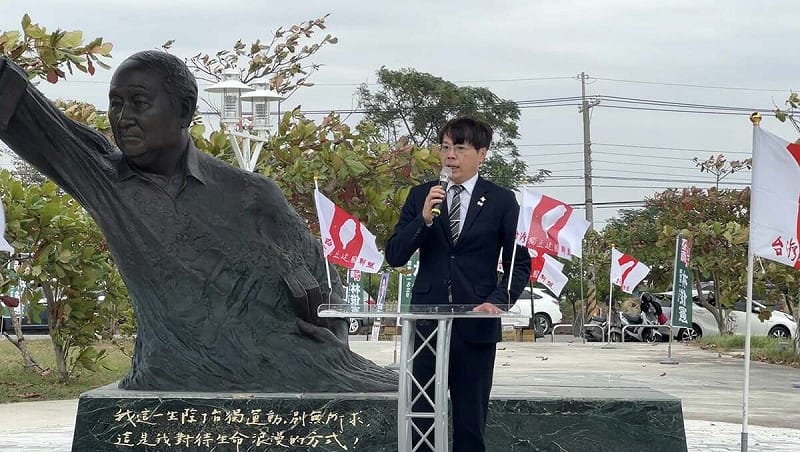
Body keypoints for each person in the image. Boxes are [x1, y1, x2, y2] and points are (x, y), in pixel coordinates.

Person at [0, 51, 396, 392]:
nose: (123, 118)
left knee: (408, 394)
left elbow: (324, 288)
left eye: (139, 102)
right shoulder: (102, 179)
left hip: (292, 369)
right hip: (167, 375)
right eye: (115, 103)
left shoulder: (252, 195)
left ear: (185, 112)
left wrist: (334, 341)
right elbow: (25, 112)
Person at [385, 117, 530, 452]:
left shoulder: (501, 200)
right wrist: (422, 219)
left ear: (482, 153)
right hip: (426, 327)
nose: (450, 156)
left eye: (460, 149)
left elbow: (518, 263)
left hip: (475, 323)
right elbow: (395, 254)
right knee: (420, 415)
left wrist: (498, 300)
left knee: (469, 421)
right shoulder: (422, 195)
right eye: (445, 147)